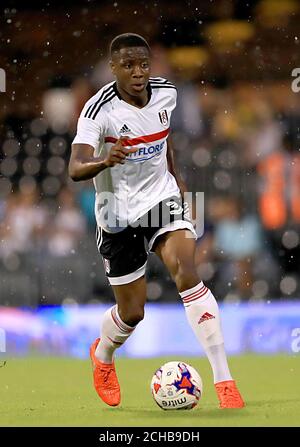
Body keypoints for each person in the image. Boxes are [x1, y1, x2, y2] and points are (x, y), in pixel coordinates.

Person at [69, 33, 244, 409]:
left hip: (161, 200)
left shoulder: (168, 93)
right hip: (116, 213)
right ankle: (102, 356)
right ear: (113, 68)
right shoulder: (97, 110)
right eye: (128, 65)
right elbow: (75, 167)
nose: (137, 72)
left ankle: (224, 380)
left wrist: (176, 178)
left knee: (186, 270)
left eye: (143, 64)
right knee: (132, 312)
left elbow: (164, 140)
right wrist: (104, 161)